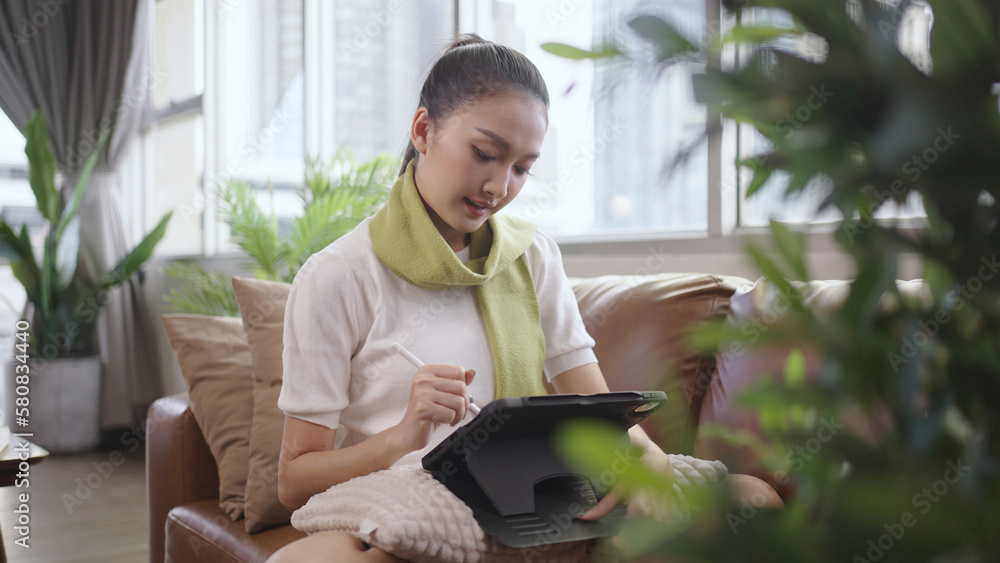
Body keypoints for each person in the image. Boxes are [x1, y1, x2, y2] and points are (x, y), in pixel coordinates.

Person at [267, 34, 780, 563]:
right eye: (485, 154)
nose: (497, 186)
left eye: (521, 168)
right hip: (416, 496)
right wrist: (402, 435)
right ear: (423, 129)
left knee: (755, 499)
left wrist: (646, 459)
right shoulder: (337, 276)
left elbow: (598, 408)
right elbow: (294, 482)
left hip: (540, 483)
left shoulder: (532, 256)